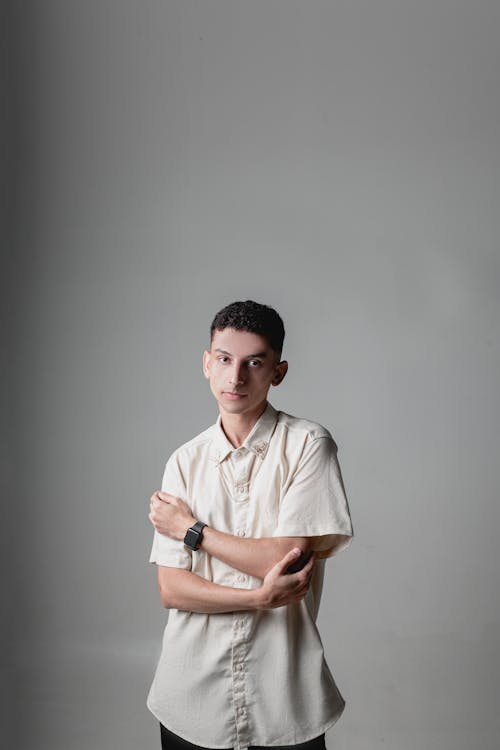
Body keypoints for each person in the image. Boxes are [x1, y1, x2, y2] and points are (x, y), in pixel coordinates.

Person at [147, 300, 353, 750]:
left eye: (253, 363)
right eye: (224, 359)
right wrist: (259, 597)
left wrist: (192, 530)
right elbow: (172, 589)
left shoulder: (308, 445)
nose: (235, 377)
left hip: (284, 695)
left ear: (277, 372)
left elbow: (286, 559)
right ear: (207, 363)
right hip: (190, 695)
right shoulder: (183, 462)